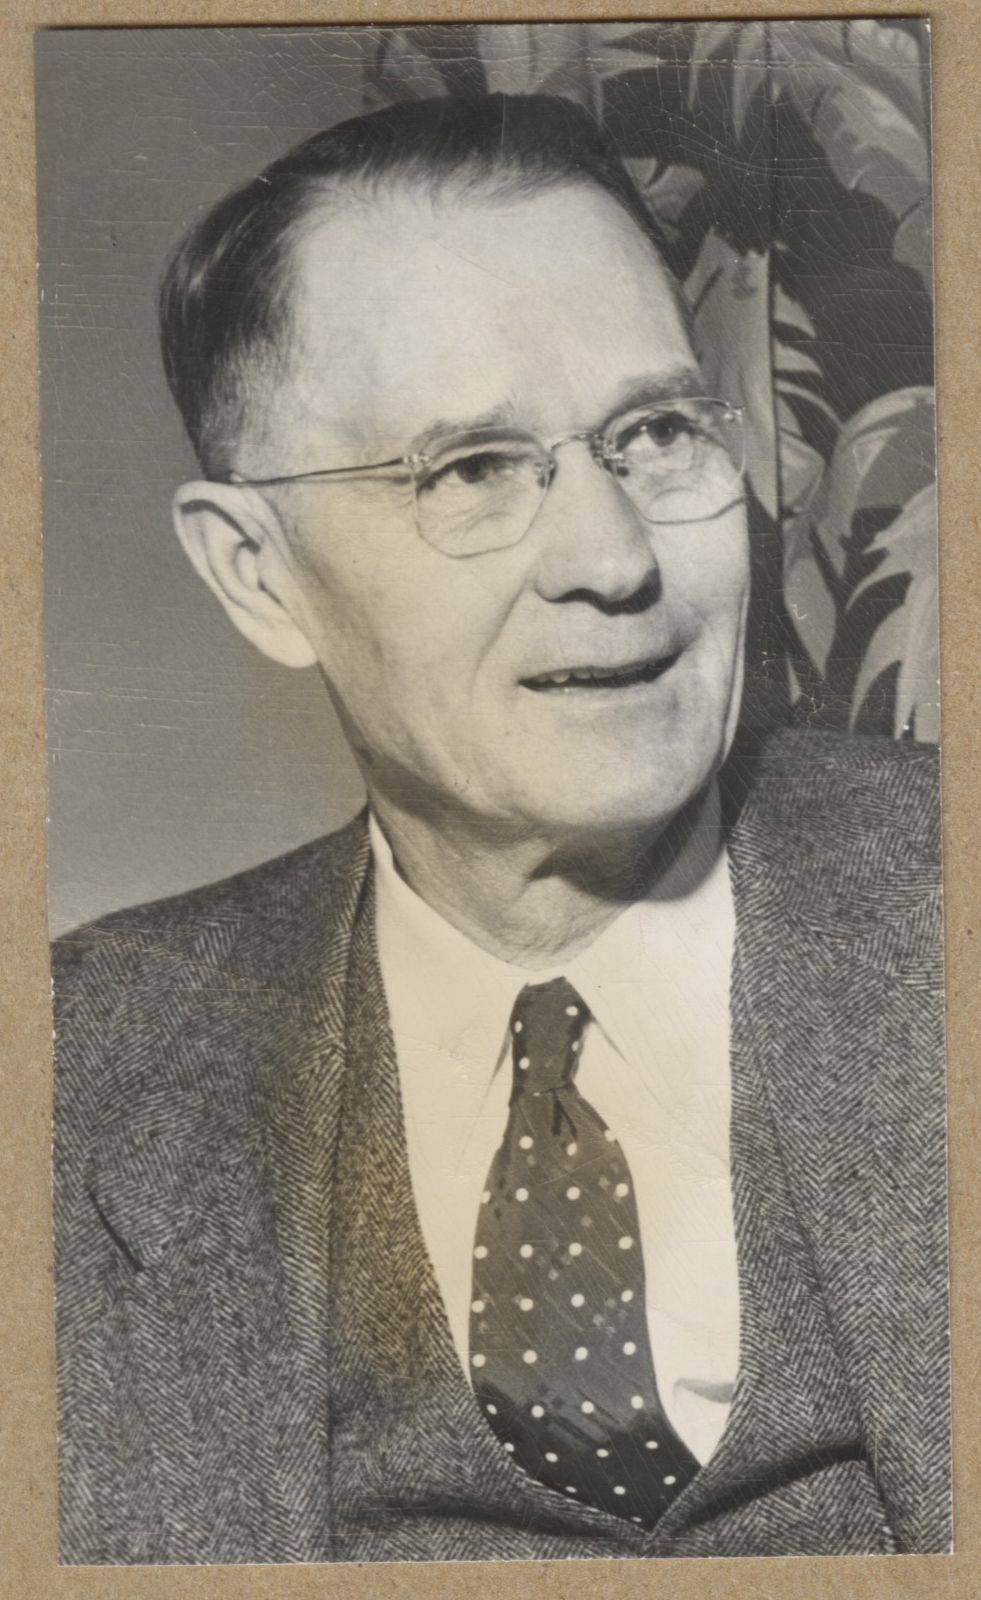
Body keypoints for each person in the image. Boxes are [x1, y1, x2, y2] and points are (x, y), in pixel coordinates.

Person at [51, 93, 947, 1565]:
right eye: (468, 470)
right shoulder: (71, 1075)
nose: (610, 559)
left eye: (653, 432)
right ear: (257, 574)